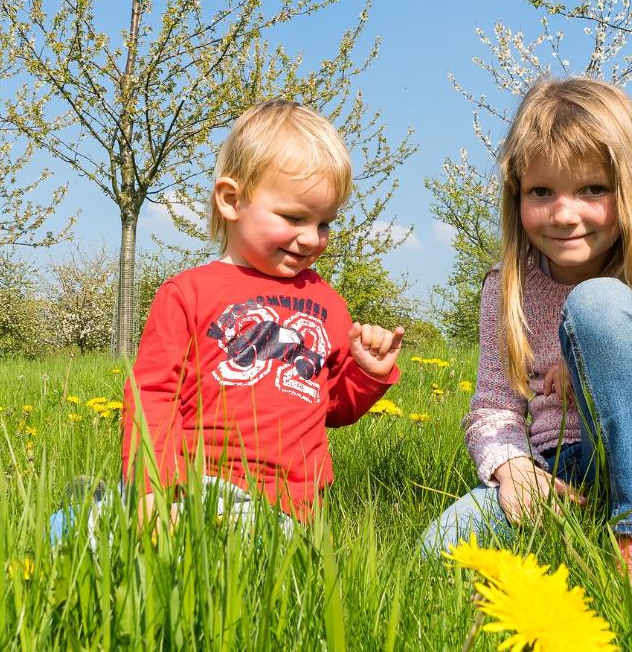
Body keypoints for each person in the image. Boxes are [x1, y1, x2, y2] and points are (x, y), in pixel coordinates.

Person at [419, 78, 632, 592]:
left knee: (598, 304)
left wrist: (618, 364)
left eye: (592, 190)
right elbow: (493, 408)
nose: (564, 214)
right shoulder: (505, 287)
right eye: (542, 192)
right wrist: (513, 467)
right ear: (517, 194)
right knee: (439, 552)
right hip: (560, 473)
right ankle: (586, 524)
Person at [52, 101, 404, 543]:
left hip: (291, 508)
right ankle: (102, 513)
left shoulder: (328, 305)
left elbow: (330, 407)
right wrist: (152, 488)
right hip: (194, 485)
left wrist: (369, 375)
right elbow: (151, 396)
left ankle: (102, 510)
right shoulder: (188, 294)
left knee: (254, 553)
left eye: (325, 223)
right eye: (294, 218)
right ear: (232, 200)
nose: (312, 238)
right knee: (178, 547)